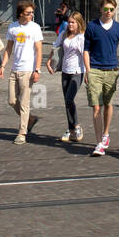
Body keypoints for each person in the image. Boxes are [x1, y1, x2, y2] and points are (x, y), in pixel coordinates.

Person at [83, 0, 119, 156]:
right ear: (100, 9)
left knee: (108, 105)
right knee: (96, 106)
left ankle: (106, 134)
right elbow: (86, 50)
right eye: (106, 9)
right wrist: (88, 70)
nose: (109, 12)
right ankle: (99, 144)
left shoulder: (118, 28)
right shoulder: (92, 26)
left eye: (111, 9)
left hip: (112, 70)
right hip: (95, 70)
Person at [0, 0, 43, 144]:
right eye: (28, 13)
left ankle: (22, 132)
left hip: (28, 69)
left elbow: (39, 50)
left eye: (32, 13)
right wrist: (3, 65)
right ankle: (30, 119)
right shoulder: (13, 27)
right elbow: (9, 48)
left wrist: (37, 69)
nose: (31, 15)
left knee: (24, 102)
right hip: (14, 69)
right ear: (21, 13)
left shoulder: (35, 28)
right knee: (12, 101)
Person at [47, 10, 85, 142]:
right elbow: (55, 46)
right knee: (67, 102)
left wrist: (88, 72)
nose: (70, 24)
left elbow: (85, 55)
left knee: (69, 99)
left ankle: (77, 126)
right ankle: (71, 129)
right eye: (69, 22)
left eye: (73, 22)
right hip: (65, 70)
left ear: (79, 23)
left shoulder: (81, 37)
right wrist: (49, 61)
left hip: (77, 71)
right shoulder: (64, 34)